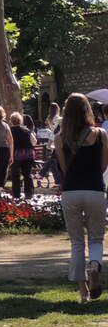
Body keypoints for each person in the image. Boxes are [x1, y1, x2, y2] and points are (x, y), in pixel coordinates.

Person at [55, 94, 108, 303]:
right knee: (96, 238)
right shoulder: (101, 135)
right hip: (95, 189)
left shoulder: (60, 137)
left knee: (76, 242)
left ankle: (83, 292)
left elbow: (64, 168)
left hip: (71, 191)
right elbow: (103, 166)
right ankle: (94, 264)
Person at [8, 112, 36, 199]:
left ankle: (16, 194)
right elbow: (34, 141)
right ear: (20, 120)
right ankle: (29, 193)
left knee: (15, 175)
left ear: (11, 121)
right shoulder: (26, 130)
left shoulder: (10, 130)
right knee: (27, 174)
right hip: (28, 153)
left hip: (16, 154)